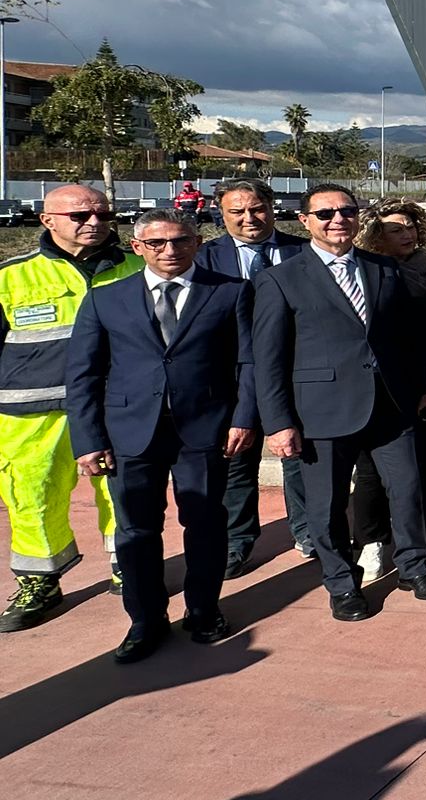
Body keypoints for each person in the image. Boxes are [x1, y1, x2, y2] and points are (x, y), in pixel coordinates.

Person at [253, 184, 426, 621]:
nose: (337, 220)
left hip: (392, 404)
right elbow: (268, 359)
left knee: (409, 489)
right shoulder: (279, 279)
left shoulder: (384, 269)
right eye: (324, 214)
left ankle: (413, 567)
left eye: (346, 211)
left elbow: (412, 338)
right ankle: (343, 583)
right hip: (322, 412)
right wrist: (278, 421)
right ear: (304, 221)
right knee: (326, 505)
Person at [65, 210, 253, 662]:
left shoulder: (229, 293)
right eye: (157, 243)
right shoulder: (104, 299)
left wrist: (244, 418)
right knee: (135, 530)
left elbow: (248, 363)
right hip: (130, 432)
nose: (170, 250)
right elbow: (83, 373)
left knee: (206, 524)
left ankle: (204, 609)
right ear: (138, 248)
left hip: (205, 429)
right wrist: (87, 438)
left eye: (181, 241)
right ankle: (145, 620)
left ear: (197, 242)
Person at [0, 185, 139, 632]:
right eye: (80, 215)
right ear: (48, 220)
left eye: (102, 214)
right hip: (32, 411)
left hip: (113, 403)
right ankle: (40, 580)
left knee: (122, 491)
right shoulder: (10, 276)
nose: (93, 222)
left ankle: (128, 566)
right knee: (32, 494)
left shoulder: (137, 268)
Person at [198, 178, 309, 575]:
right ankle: (237, 540)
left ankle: (308, 531)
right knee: (236, 460)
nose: (249, 218)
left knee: (299, 455)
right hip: (232, 379)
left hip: (297, 375)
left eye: (257, 208)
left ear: (271, 208)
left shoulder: (304, 251)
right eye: (237, 211)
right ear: (221, 214)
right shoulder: (203, 259)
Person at [352, 201, 426, 578]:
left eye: (411, 226)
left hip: (424, 386)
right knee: (368, 472)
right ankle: (372, 542)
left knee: (422, 465)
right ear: (375, 234)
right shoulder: (358, 269)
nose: (408, 233)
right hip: (371, 388)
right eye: (396, 228)